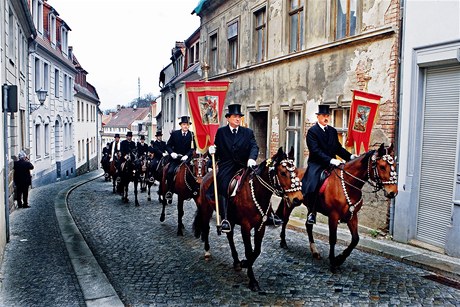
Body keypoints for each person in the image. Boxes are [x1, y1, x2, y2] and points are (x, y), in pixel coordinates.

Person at [301, 104, 358, 224]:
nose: (326, 118)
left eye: (327, 115)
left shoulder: (332, 131)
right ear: (318, 117)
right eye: (323, 116)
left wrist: (350, 157)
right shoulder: (312, 132)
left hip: (332, 163)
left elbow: (338, 148)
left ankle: (340, 209)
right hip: (317, 163)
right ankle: (311, 212)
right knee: (313, 183)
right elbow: (315, 151)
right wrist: (331, 160)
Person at [208, 104, 259, 233]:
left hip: (245, 164)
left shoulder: (248, 132)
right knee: (225, 184)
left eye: (239, 117)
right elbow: (217, 151)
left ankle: (266, 213)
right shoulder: (221, 132)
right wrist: (212, 151)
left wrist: (252, 158)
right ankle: (225, 218)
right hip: (227, 166)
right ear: (228, 118)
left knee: (259, 182)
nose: (238, 119)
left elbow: (254, 146)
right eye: (235, 116)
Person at [165, 116, 196, 199]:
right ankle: (170, 190)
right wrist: (172, 153)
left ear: (189, 126)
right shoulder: (175, 134)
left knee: (194, 173)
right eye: (184, 124)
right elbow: (168, 146)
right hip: (176, 159)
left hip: (187, 160)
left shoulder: (192, 135)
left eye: (187, 124)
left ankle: (194, 190)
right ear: (181, 125)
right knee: (170, 172)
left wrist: (187, 155)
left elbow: (193, 148)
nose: (185, 126)